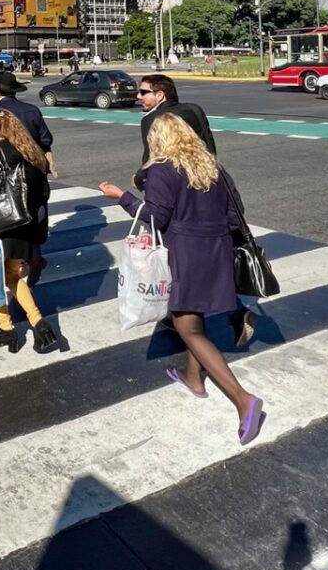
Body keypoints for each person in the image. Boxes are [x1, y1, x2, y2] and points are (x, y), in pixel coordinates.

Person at [99, 113, 264, 446]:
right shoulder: (212, 168)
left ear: (158, 140)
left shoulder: (162, 170)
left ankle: (243, 400)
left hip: (186, 253)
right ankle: (194, 379)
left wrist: (122, 198)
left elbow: (155, 217)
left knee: (186, 326)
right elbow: (236, 213)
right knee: (195, 315)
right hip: (216, 250)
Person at [135, 73, 255, 348]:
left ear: (160, 95)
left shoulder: (153, 122)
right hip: (208, 183)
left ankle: (190, 319)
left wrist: (140, 181)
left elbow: (152, 160)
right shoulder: (195, 110)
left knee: (176, 260)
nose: (139, 97)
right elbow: (210, 147)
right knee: (207, 259)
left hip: (177, 196)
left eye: (144, 92)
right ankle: (225, 312)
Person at [0, 109, 58, 354]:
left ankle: (7, 330)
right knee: (11, 277)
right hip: (25, 224)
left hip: (1, 226)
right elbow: (43, 191)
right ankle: (38, 323)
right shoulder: (30, 151)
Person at [0, 70, 53, 153]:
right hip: (31, 159)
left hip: (3, 160)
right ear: (14, 91)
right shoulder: (33, 110)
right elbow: (46, 140)